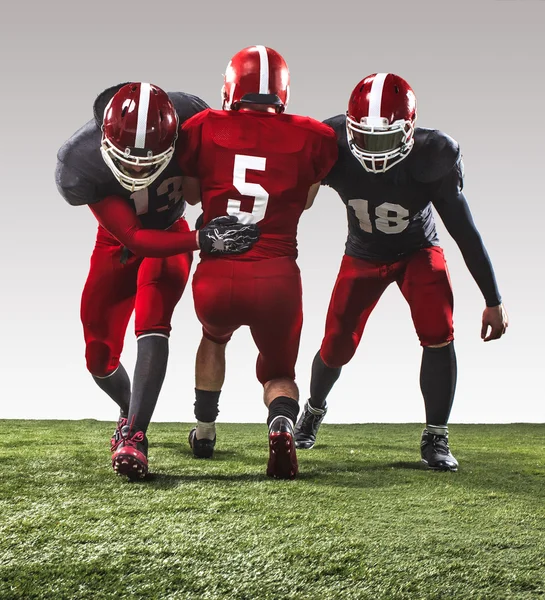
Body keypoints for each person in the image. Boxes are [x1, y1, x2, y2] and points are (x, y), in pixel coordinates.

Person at [294, 73, 508, 471]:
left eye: (385, 138)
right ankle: (314, 408)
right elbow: (299, 202)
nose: (375, 150)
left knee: (438, 330)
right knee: (337, 343)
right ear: (349, 127)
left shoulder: (434, 155)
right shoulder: (331, 141)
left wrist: (493, 299)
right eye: (366, 137)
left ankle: (436, 435)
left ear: (409, 131)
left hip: (417, 250)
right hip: (363, 253)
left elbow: (464, 233)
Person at [55, 82, 260, 479]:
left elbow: (220, 168)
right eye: (126, 161)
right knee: (98, 356)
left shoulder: (193, 121)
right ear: (103, 141)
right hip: (119, 241)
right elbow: (131, 236)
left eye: (149, 161)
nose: (136, 170)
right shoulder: (79, 161)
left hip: (171, 231)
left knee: (153, 323)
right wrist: (202, 238)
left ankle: (134, 435)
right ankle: (129, 407)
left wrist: (214, 213)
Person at [177, 46, 338, 479]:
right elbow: (304, 202)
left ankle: (205, 431)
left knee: (214, 338)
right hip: (277, 277)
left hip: (217, 275)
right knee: (280, 372)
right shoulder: (313, 136)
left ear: (232, 86)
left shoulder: (204, 126)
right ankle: (282, 422)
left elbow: (192, 195)